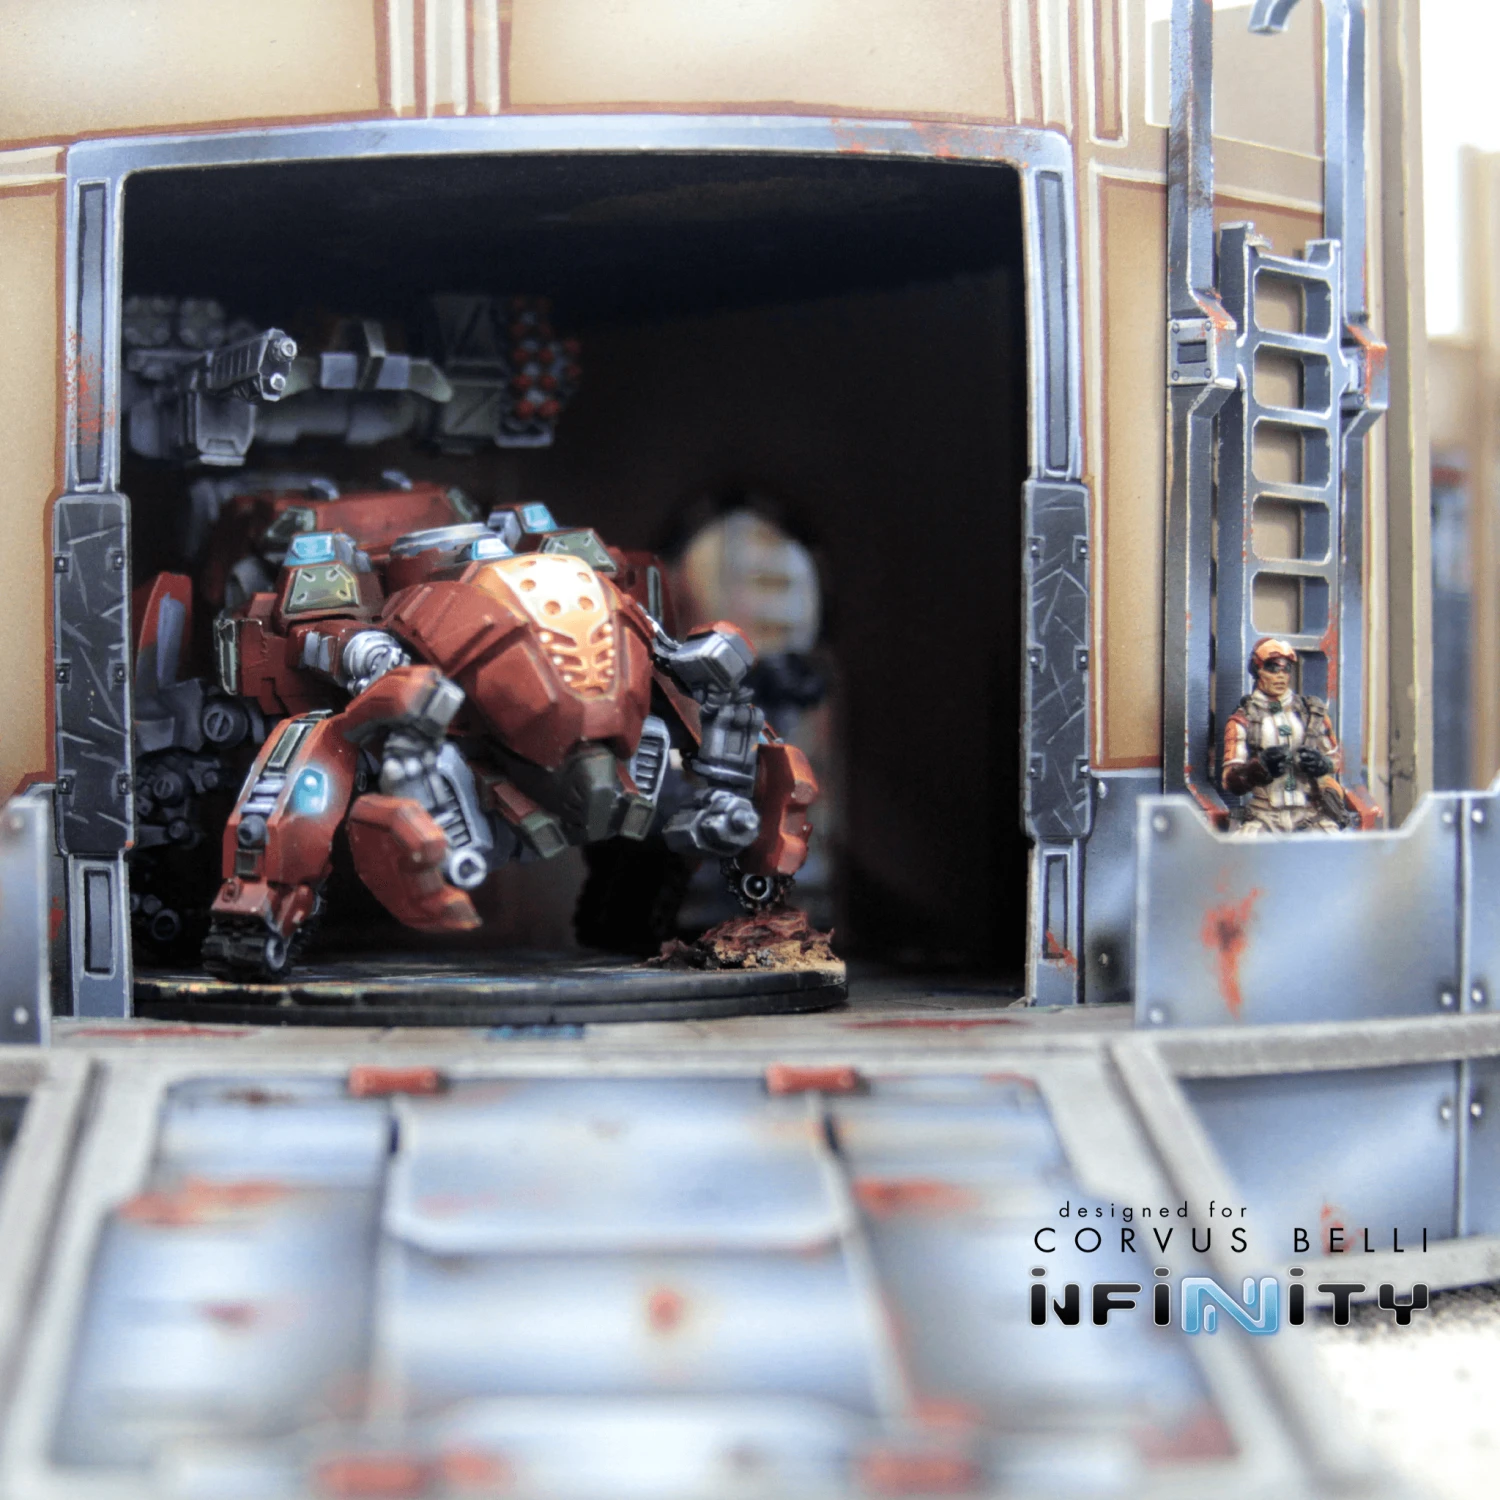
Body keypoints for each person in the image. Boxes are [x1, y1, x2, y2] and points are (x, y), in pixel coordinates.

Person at [1221, 638, 1351, 834]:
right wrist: (1259, 768)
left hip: (1310, 812)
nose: (1280, 676)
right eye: (1273, 668)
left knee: (1334, 846)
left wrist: (1322, 763)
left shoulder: (1311, 713)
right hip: (1264, 814)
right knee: (1246, 848)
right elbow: (1229, 780)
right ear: (1258, 670)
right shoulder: (1242, 720)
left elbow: (1335, 759)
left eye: (1286, 669)